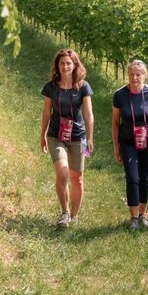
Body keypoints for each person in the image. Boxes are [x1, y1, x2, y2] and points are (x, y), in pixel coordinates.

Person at [40, 49, 94, 228]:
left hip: (78, 136)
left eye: (68, 63)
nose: (65, 66)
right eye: (62, 63)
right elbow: (47, 112)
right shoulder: (51, 87)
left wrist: (90, 138)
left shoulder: (83, 86)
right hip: (56, 135)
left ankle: (74, 215)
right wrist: (42, 136)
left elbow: (88, 114)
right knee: (62, 172)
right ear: (57, 66)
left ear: (75, 65)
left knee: (77, 178)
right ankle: (64, 212)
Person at [112, 59, 148, 230]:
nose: (134, 78)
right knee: (132, 178)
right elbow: (115, 122)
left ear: (144, 75)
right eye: (131, 74)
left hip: (147, 140)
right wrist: (116, 146)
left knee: (144, 177)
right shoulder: (119, 95)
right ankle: (133, 217)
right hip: (128, 141)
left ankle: (143, 214)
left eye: (138, 74)